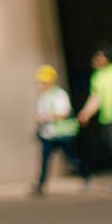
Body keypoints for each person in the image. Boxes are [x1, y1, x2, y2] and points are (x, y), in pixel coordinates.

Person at [30, 64, 90, 196]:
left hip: (63, 134)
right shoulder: (43, 97)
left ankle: (85, 176)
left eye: (43, 81)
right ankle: (40, 184)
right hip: (49, 134)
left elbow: (64, 112)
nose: (40, 84)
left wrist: (48, 117)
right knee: (44, 159)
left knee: (73, 159)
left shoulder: (59, 94)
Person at [77, 44, 112, 191]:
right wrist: (86, 113)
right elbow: (96, 97)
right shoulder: (98, 76)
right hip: (109, 118)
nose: (96, 60)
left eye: (99, 57)